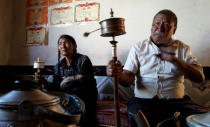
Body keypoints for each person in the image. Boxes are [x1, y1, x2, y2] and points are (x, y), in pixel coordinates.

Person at [106, 9, 210, 127]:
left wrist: (177, 61)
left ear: (174, 30)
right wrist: (117, 74)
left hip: (176, 103)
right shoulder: (138, 47)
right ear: (151, 26)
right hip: (143, 102)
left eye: (166, 25)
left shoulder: (183, 49)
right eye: (157, 23)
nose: (160, 28)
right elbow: (127, 79)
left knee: (200, 120)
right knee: (141, 117)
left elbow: (200, 77)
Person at [35, 34, 98, 127]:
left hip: (86, 97)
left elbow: (87, 83)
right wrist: (44, 82)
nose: (63, 46)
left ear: (74, 46)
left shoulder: (83, 60)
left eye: (66, 43)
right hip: (66, 98)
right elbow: (55, 88)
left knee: (81, 117)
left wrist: (69, 95)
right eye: (60, 43)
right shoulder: (58, 66)